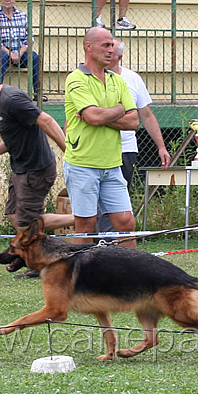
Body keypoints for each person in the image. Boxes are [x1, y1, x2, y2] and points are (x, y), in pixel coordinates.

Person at [0, 78, 73, 278]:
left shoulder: (12, 99)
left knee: (27, 224)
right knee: (14, 214)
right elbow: (16, 137)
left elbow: (46, 120)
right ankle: (37, 259)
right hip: (21, 169)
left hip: (35, 169)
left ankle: (83, 219)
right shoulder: (2, 103)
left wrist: (68, 151)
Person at [63, 27, 139, 248]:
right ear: (89, 46)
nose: (111, 50)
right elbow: (94, 116)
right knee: (86, 226)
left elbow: (133, 122)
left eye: (112, 46)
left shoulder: (117, 80)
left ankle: (132, 277)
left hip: (112, 164)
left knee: (126, 223)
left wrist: (101, 114)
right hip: (82, 165)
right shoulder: (76, 79)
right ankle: (80, 279)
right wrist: (118, 110)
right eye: (106, 45)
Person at [96, 39, 171, 236]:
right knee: (94, 200)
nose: (106, 55)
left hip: (125, 149)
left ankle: (111, 243)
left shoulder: (132, 79)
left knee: (116, 200)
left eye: (111, 52)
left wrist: (161, 147)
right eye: (104, 50)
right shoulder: (89, 78)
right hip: (95, 148)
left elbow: (145, 115)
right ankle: (96, 243)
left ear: (119, 57)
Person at [0, 0, 44, 101]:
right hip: (2, 51)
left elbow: (29, 38)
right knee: (0, 55)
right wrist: (10, 53)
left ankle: (37, 93)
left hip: (20, 52)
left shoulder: (23, 15)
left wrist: (19, 53)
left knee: (34, 57)